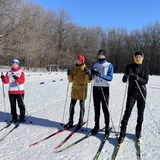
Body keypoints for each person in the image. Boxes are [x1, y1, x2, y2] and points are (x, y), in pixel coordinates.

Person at [118, 50, 149, 143]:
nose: (138, 58)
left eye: (139, 57)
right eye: (136, 57)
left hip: (142, 92)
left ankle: (138, 131)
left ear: (142, 58)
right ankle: (122, 132)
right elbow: (124, 80)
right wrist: (126, 75)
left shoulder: (145, 67)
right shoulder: (129, 66)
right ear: (134, 57)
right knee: (127, 112)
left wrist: (138, 78)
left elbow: (145, 81)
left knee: (140, 113)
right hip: (132, 92)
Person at [91, 49, 114, 137]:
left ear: (105, 56)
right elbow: (91, 77)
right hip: (96, 88)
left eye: (102, 55)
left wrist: (101, 75)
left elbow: (110, 78)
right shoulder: (95, 64)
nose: (100, 56)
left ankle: (107, 127)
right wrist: (91, 73)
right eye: (99, 54)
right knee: (96, 108)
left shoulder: (109, 65)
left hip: (104, 88)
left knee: (105, 108)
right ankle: (96, 126)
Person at [65, 55, 91, 129]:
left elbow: (88, 81)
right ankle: (70, 121)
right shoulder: (74, 68)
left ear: (82, 61)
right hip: (74, 90)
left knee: (81, 106)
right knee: (71, 106)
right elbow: (70, 80)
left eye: (80, 60)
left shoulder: (85, 69)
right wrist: (69, 74)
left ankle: (80, 121)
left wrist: (87, 74)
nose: (78, 61)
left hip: (82, 90)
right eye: (78, 60)